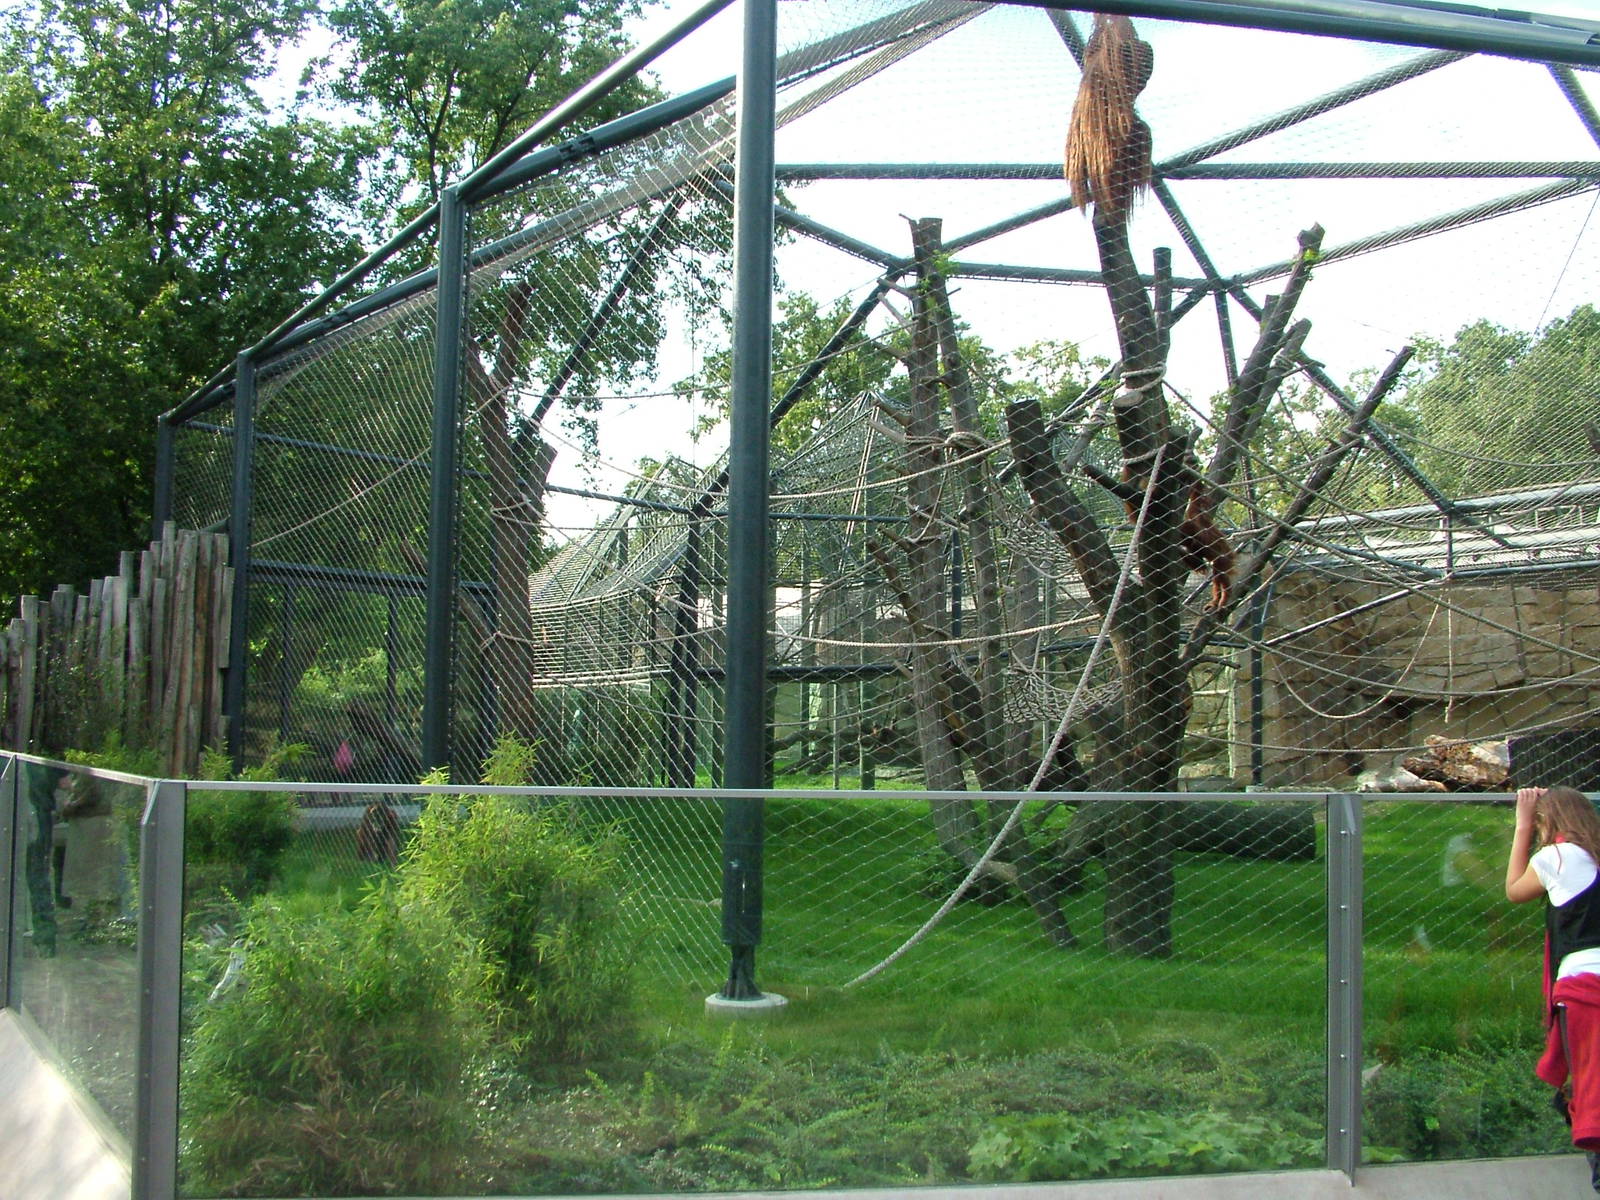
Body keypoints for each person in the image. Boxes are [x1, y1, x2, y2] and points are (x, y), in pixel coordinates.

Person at [1506, 784, 1600, 1188]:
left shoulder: (1555, 857)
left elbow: (1514, 890)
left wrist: (1522, 826)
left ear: (1549, 823)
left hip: (1583, 987)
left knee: (1590, 1086)